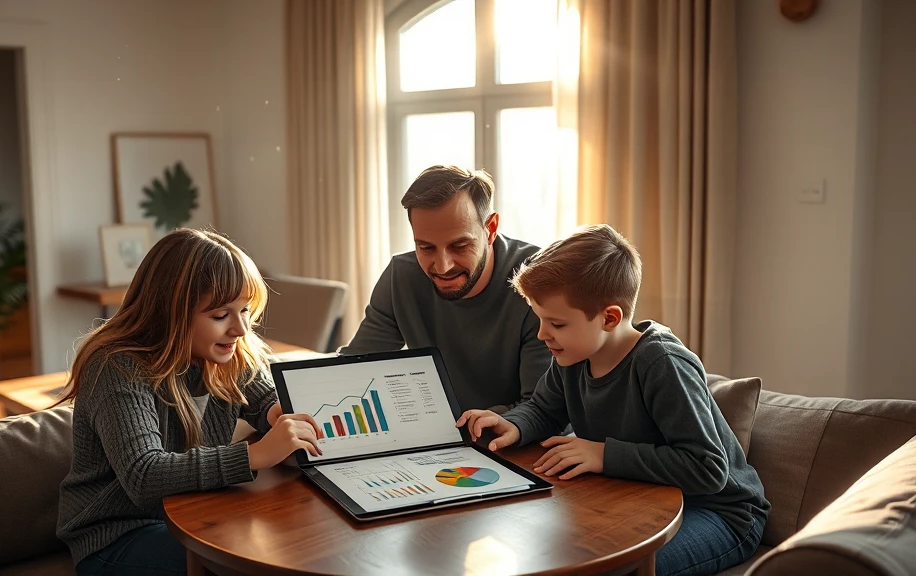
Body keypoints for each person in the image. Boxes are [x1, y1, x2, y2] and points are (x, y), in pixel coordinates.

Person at [456, 224, 769, 576]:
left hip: (720, 513)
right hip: (643, 500)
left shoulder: (662, 364)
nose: (543, 334)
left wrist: (603, 454)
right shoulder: (572, 357)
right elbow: (544, 409)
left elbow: (707, 468)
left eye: (556, 324)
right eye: (540, 320)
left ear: (609, 318)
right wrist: (513, 424)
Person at [56, 229, 323, 576]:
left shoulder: (228, 355)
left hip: (193, 515)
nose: (241, 329)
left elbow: (263, 400)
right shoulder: (115, 365)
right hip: (117, 534)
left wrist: (280, 415)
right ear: (169, 312)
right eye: (220, 316)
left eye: (245, 311)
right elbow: (144, 475)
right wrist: (256, 454)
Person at [340, 165, 551, 413]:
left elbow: (544, 409)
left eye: (460, 245)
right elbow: (352, 370)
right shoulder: (402, 276)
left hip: (515, 443)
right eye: (426, 248)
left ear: (490, 229)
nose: (442, 266)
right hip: (442, 436)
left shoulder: (538, 279)